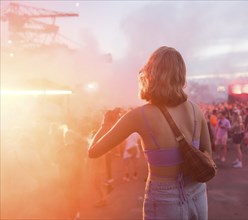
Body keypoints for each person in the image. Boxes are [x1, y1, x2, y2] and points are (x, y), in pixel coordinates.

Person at [88, 46, 212, 219]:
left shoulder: (139, 116)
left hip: (163, 199)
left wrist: (105, 124)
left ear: (150, 74)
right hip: (197, 194)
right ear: (181, 75)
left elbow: (94, 151)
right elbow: (208, 154)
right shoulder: (195, 110)